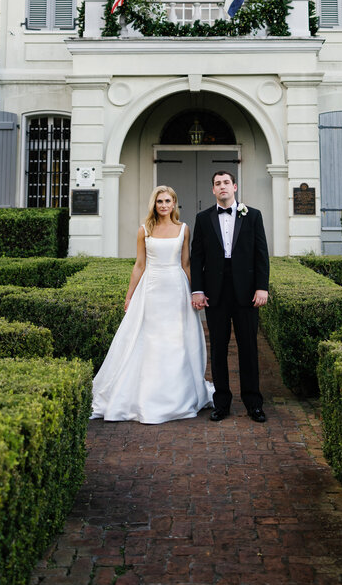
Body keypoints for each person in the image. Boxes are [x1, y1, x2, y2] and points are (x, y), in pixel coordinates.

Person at [91, 185, 215, 423]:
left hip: (177, 288)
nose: (164, 205)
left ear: (174, 204)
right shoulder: (144, 230)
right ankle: (144, 394)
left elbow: (186, 264)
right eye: (159, 201)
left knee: (176, 339)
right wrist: (129, 295)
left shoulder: (183, 229)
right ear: (154, 205)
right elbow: (139, 265)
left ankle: (178, 394)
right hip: (152, 288)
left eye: (168, 201)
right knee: (149, 339)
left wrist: (196, 291)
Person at [190, 170, 270, 422]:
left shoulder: (253, 215)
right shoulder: (202, 219)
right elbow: (197, 257)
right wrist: (198, 290)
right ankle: (221, 402)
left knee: (248, 347)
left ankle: (253, 403)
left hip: (247, 292)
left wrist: (262, 287)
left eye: (226, 182)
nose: (222, 187)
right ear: (213, 190)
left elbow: (261, 254)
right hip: (215, 293)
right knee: (219, 348)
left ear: (234, 186)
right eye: (217, 184)